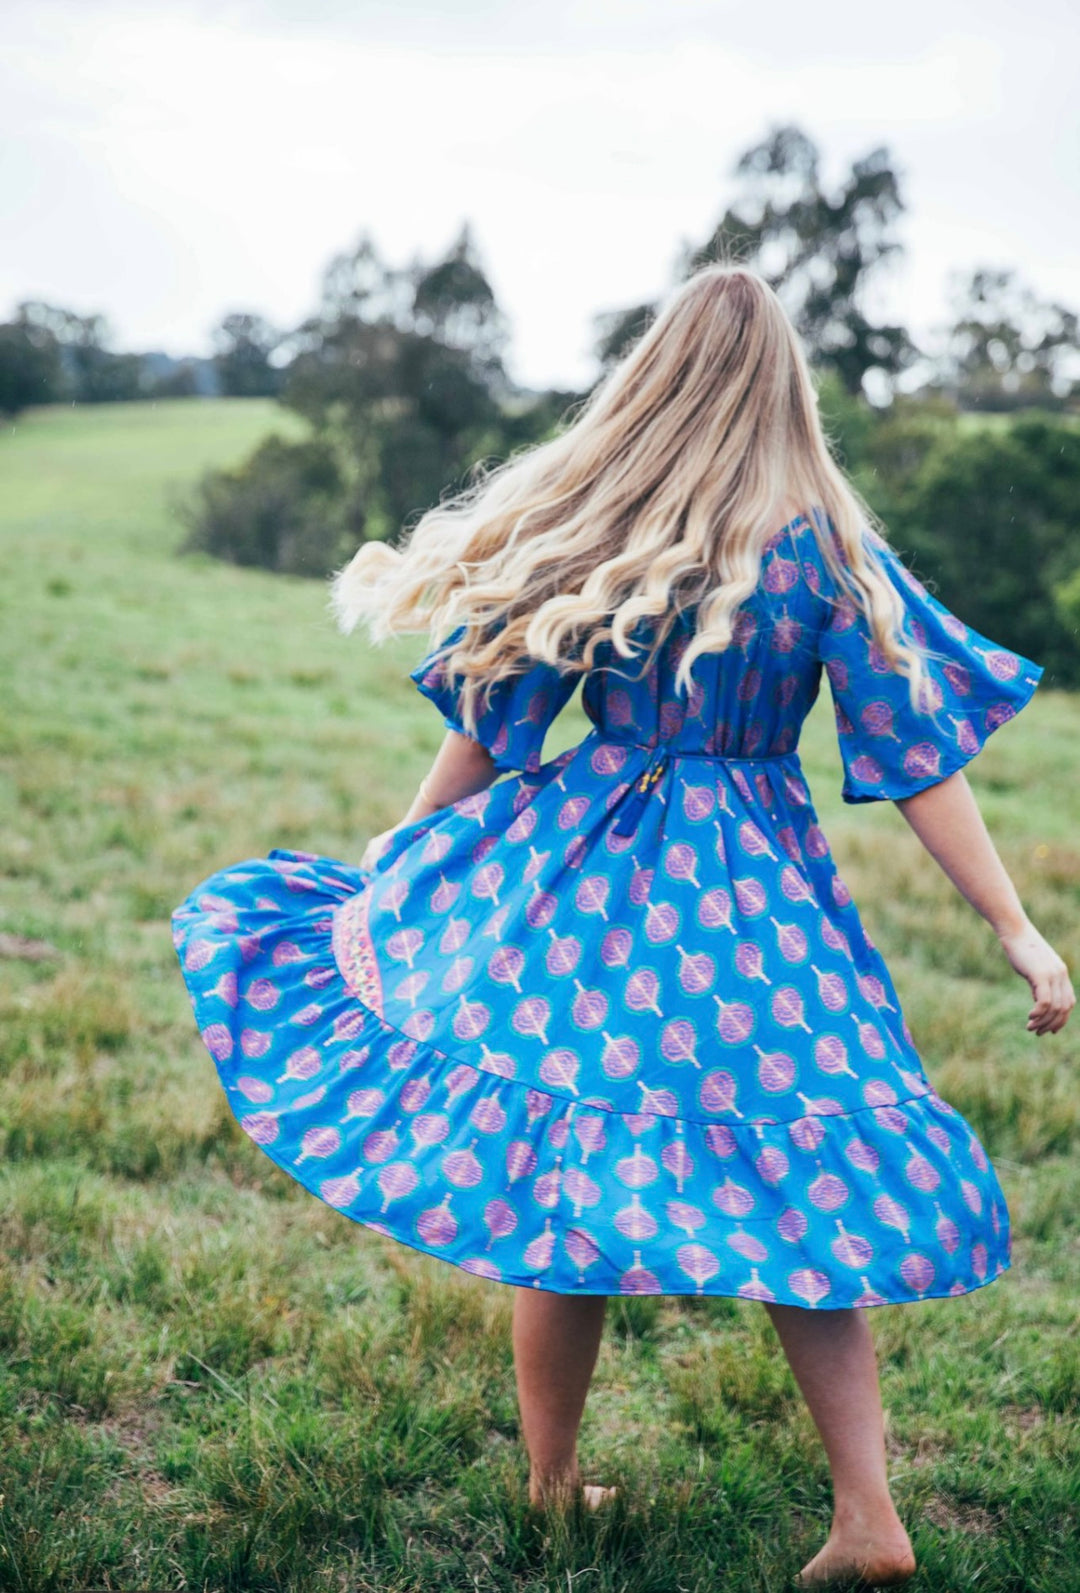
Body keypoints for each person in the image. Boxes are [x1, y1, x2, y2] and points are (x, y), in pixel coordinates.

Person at [171, 263, 1074, 1589]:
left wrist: (410, 850)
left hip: (588, 893)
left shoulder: (610, 525)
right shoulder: (823, 546)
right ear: (787, 391)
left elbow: (494, 720)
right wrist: (1015, 925)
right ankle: (869, 1514)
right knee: (801, 1176)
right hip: (759, 906)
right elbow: (918, 755)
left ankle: (550, 1484)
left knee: (559, 1174)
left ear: (655, 380)